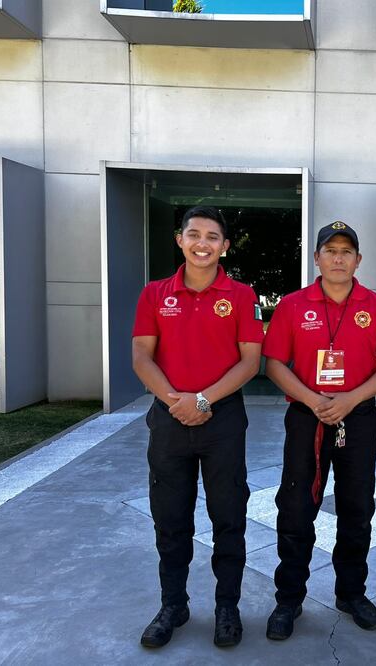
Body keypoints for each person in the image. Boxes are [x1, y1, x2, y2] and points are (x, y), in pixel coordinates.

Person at [131, 206, 264, 648]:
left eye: (212, 236)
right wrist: (178, 402)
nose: (202, 243)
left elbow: (250, 361)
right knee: (170, 519)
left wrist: (204, 400)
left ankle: (228, 606)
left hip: (222, 419)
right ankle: (174, 604)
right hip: (169, 419)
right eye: (194, 234)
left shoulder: (243, 295)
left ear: (225, 246)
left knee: (228, 516)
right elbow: (141, 357)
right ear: (180, 240)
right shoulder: (155, 294)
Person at [262, 221, 376, 640]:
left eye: (346, 251)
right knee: (296, 508)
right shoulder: (292, 305)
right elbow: (273, 364)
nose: (338, 257)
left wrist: (350, 399)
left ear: (358, 260)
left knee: (357, 509)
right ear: (317, 258)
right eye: (330, 250)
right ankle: (289, 600)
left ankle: (351, 593)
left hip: (357, 418)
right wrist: (312, 399)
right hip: (307, 417)